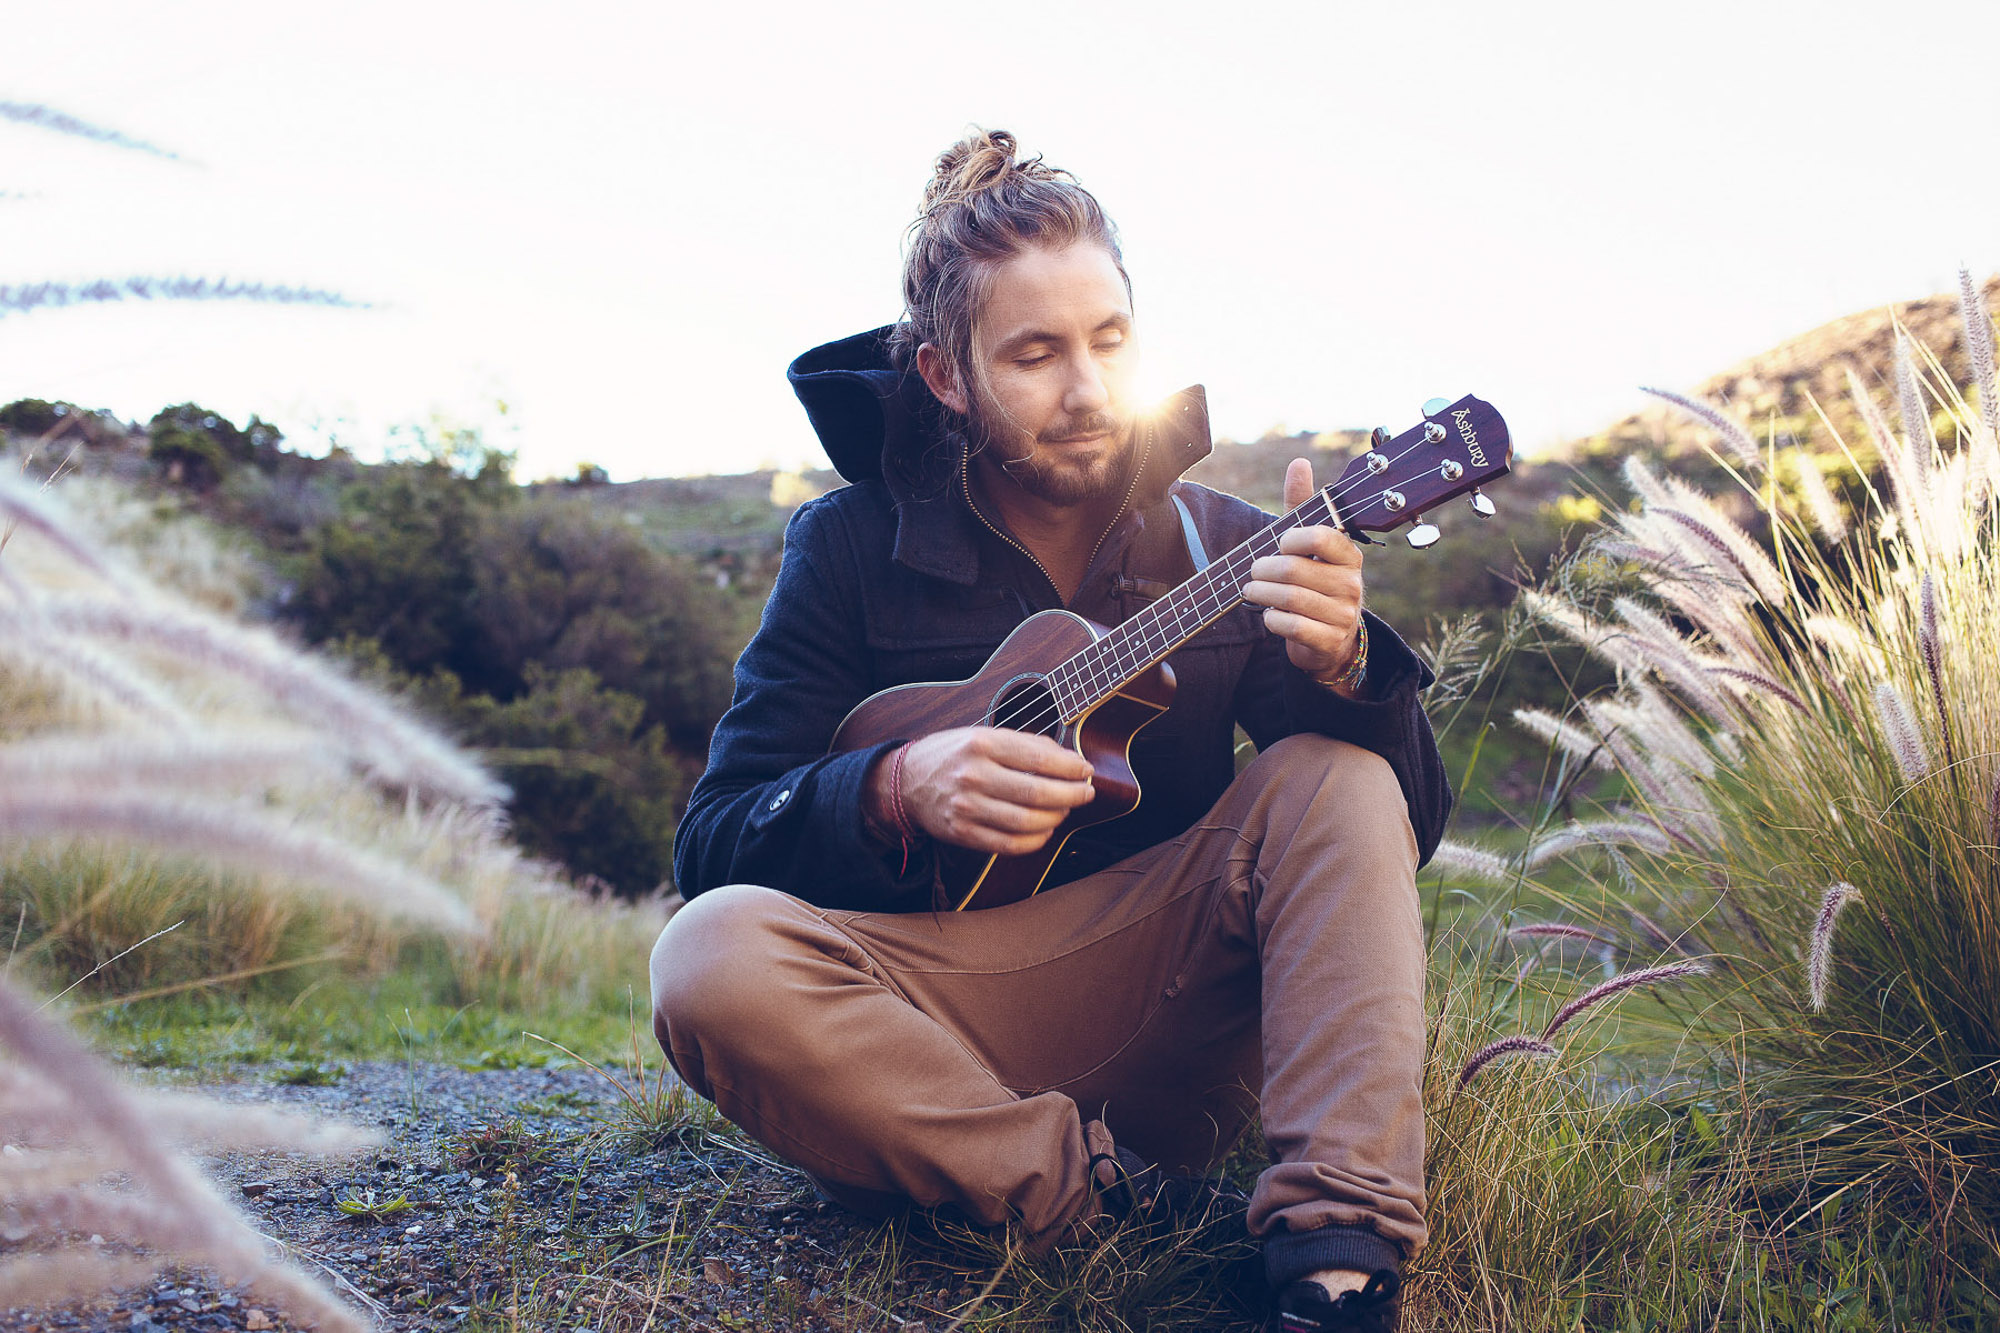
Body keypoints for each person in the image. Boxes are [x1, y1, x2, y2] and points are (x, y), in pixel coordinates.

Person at [650, 129, 1448, 1333]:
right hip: (927, 1043)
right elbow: (714, 840)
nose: (1085, 393)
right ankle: (1118, 1208)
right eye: (1033, 354)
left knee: (1328, 773)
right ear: (943, 374)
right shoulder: (849, 548)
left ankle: (1334, 1268)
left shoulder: (1231, 546)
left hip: (1165, 998)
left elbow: (1394, 832)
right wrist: (891, 787)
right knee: (708, 952)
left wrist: (1343, 663)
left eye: (1108, 343)